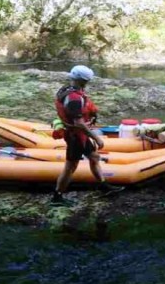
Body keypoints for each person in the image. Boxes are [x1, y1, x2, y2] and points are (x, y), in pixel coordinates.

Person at [52, 65, 123, 206]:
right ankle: (57, 197)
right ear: (83, 81)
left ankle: (103, 186)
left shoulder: (67, 89)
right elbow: (78, 123)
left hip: (80, 135)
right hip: (76, 136)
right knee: (70, 166)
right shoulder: (74, 99)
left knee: (94, 157)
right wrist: (96, 137)